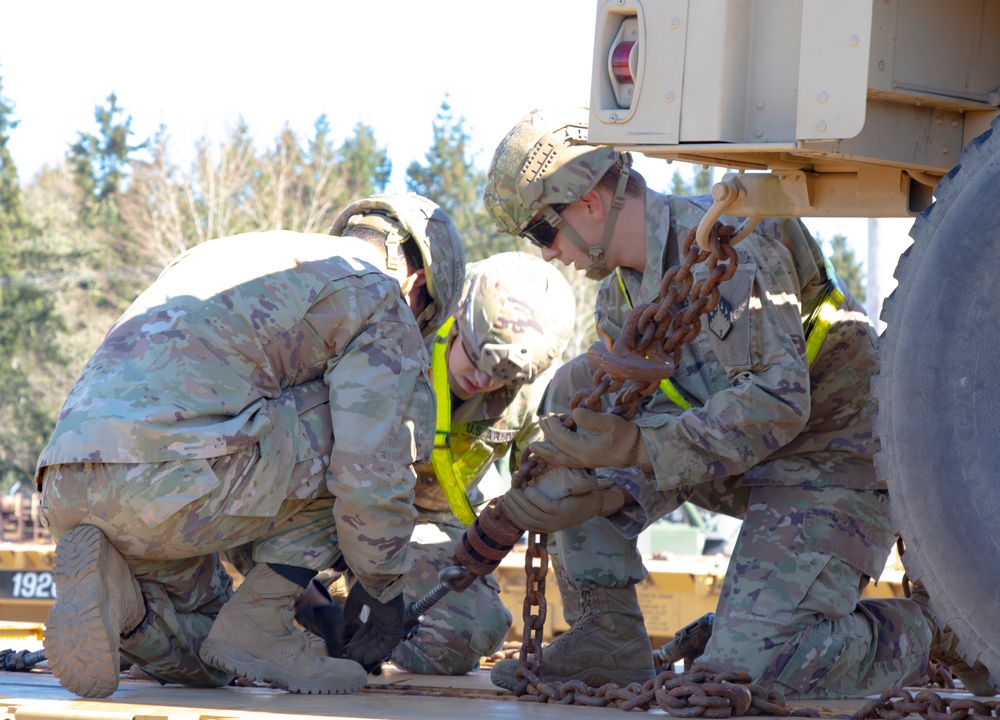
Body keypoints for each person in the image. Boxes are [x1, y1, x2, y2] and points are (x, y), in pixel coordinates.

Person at [478, 106, 967, 699]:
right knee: (576, 394)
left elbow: (779, 401)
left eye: (540, 231)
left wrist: (635, 447)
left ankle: (935, 629)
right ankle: (606, 634)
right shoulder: (619, 301)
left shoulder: (730, 244)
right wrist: (607, 490)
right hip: (744, 458)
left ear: (588, 202)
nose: (549, 254)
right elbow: (667, 419)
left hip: (833, 455)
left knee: (752, 673)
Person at [35, 193, 466, 699]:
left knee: (209, 652)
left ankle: (125, 606)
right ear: (417, 284)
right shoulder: (379, 294)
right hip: (171, 477)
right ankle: (261, 620)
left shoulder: (226, 253)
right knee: (367, 427)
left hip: (69, 483)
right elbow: (368, 468)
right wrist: (382, 584)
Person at [293, 251, 577, 675]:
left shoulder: (528, 396)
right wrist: (308, 601)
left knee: (470, 635)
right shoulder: (391, 342)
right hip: (332, 506)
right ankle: (312, 600)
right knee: (268, 593)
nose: (483, 381)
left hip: (424, 525)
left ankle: (354, 624)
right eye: (476, 357)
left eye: (502, 376)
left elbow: (547, 491)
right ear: (458, 318)